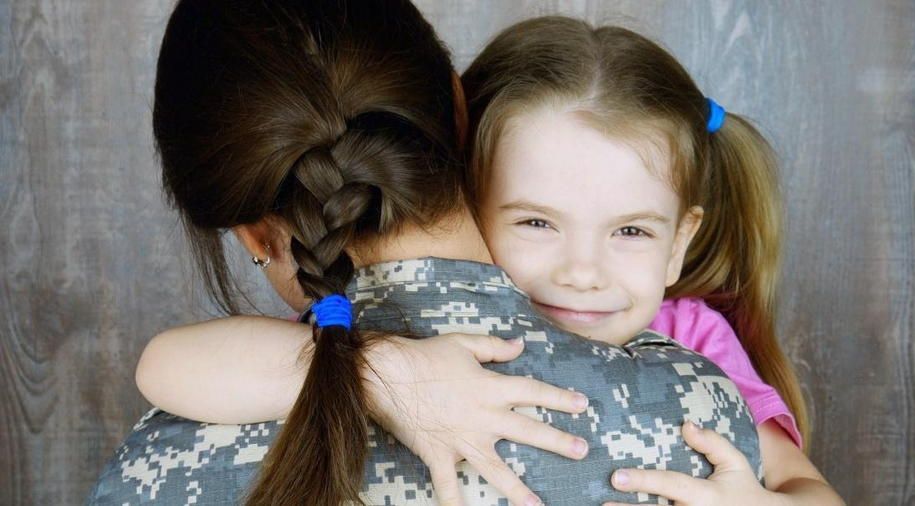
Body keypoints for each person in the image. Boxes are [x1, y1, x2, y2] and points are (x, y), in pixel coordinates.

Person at [129, 12, 844, 506]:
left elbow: (801, 482)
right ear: (465, 174)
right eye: (536, 222)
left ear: (678, 243)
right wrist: (391, 374)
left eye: (630, 232)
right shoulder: (357, 323)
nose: (581, 272)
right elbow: (163, 365)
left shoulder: (699, 347)